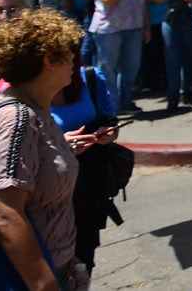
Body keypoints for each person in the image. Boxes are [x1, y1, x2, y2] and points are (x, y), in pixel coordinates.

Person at [0, 7, 86, 289]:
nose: (74, 61)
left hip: (57, 262)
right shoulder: (17, 118)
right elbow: (2, 213)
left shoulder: (38, 111)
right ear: (49, 61)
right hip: (21, 278)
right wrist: (44, 283)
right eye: (70, 53)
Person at [51, 55, 121, 276]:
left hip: (88, 189)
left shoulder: (89, 77)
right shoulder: (20, 95)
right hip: (49, 197)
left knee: (83, 264)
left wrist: (108, 134)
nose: (72, 64)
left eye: (74, 56)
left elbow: (110, 121)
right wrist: (62, 144)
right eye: (65, 57)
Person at [90, 0, 149, 114]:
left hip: (133, 27)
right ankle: (111, 107)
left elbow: (141, 2)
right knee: (108, 68)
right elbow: (108, 0)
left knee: (131, 67)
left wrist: (146, 27)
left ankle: (126, 101)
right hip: (109, 29)